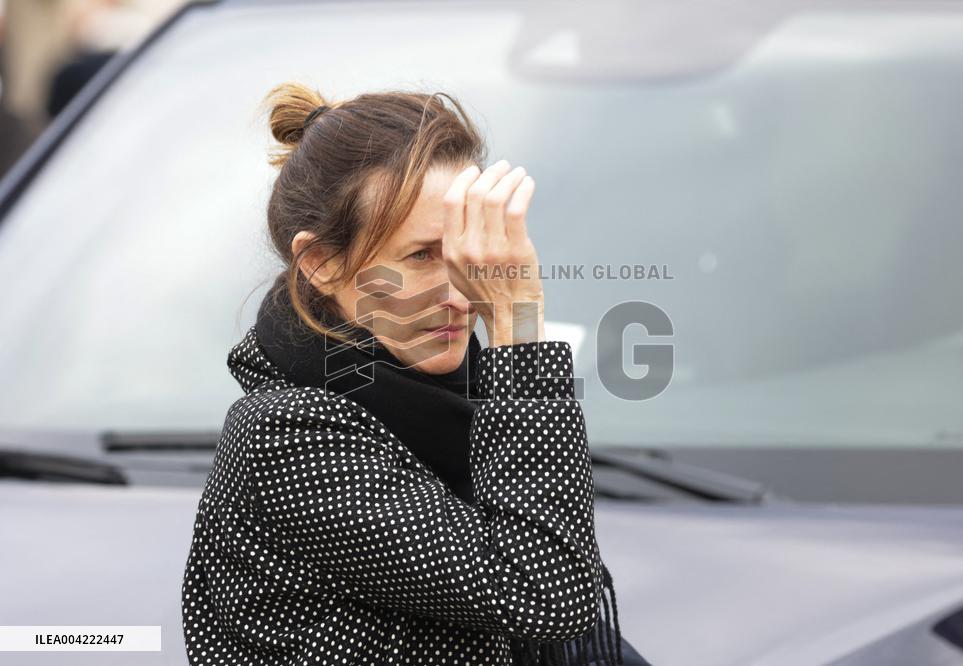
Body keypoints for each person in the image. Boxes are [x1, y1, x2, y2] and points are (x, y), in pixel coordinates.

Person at [181, 81, 650, 665]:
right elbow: (544, 594)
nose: (461, 295)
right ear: (322, 263)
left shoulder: (463, 401)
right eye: (422, 256)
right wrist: (516, 319)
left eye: (467, 254)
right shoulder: (287, 436)